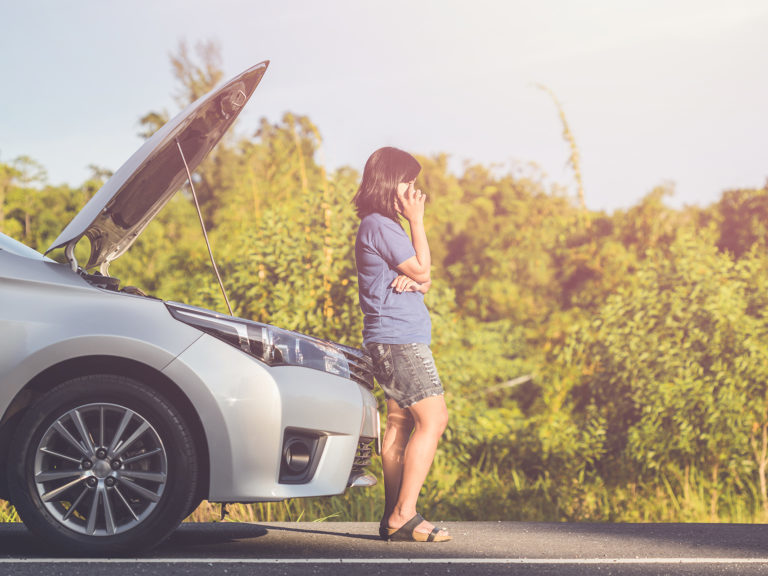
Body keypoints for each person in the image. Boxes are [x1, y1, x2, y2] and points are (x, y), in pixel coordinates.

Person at [353, 146, 451, 543]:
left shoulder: (381, 225)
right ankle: (404, 513)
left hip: (391, 337)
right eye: (408, 181)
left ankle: (393, 516)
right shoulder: (382, 224)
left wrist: (419, 277)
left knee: (399, 421)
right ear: (390, 181)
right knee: (435, 419)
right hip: (399, 339)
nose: (413, 190)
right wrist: (418, 220)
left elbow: (424, 278)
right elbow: (424, 268)